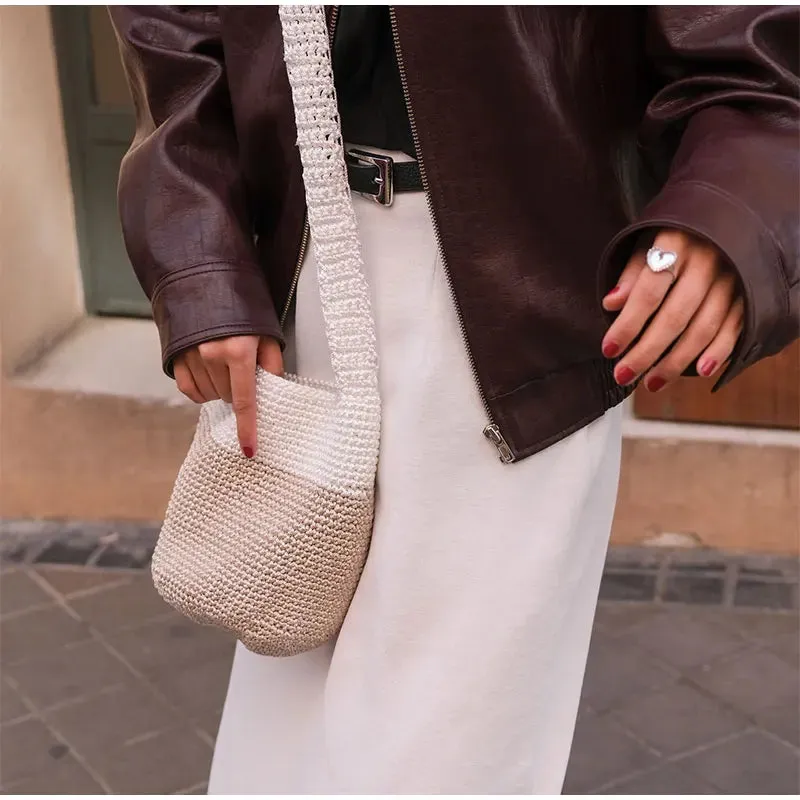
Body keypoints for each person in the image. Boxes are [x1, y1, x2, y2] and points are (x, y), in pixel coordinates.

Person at [110, 6, 798, 794]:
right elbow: (172, 31)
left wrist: (732, 213)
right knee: (286, 719)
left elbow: (755, 62)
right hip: (305, 268)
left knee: (455, 740)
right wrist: (200, 261)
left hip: (519, 297)